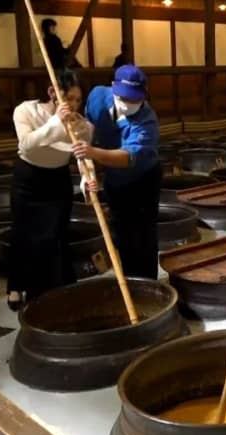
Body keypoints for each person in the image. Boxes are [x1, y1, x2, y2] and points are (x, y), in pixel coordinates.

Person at [9, 70, 96, 310]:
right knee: (23, 234)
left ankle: (51, 292)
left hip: (57, 181)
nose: (74, 104)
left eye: (78, 100)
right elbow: (26, 144)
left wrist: (87, 181)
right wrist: (56, 121)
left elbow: (83, 158)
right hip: (28, 180)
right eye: (69, 98)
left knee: (54, 236)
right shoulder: (26, 111)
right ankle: (16, 285)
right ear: (52, 92)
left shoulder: (82, 126)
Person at [72, 65, 161, 279]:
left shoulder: (147, 120)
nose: (128, 103)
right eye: (123, 98)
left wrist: (92, 152)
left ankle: (147, 282)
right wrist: (87, 173)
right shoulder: (97, 97)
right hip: (114, 179)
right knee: (122, 233)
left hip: (143, 181)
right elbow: (86, 133)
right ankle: (130, 279)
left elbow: (127, 157)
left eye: (134, 99)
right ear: (113, 87)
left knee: (143, 237)